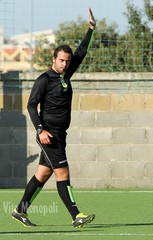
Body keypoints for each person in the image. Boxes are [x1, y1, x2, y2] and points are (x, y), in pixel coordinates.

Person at [11, 8, 96, 228]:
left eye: (67, 61)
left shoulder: (65, 75)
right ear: (53, 59)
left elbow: (81, 52)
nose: (65, 64)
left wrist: (91, 30)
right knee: (63, 172)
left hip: (60, 134)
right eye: (61, 60)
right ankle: (76, 215)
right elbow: (31, 106)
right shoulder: (44, 80)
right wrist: (41, 130)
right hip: (49, 135)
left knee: (43, 173)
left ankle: (20, 210)